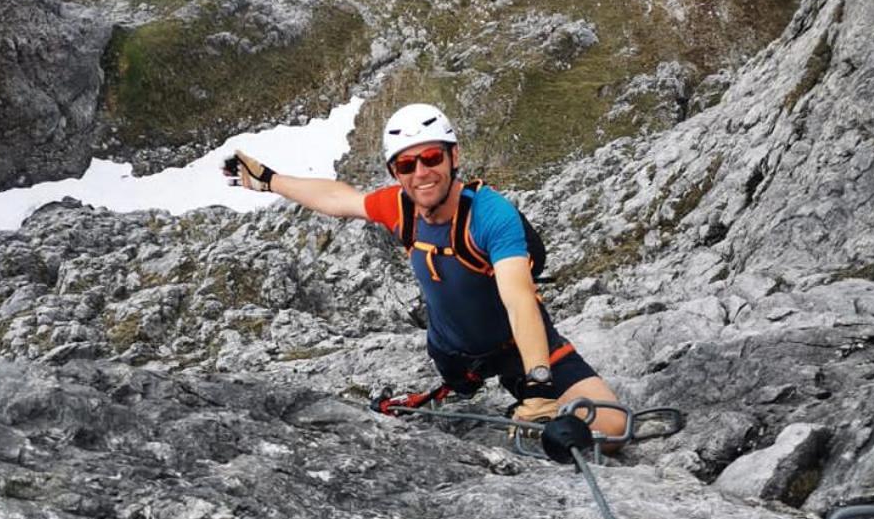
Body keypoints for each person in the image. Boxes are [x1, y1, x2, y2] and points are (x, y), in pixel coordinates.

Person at [224, 103, 626, 436]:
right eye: (406, 165)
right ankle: (464, 388)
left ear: (454, 156)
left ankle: (524, 404)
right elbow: (337, 197)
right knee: (468, 377)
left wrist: (539, 388)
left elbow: (519, 299)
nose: (421, 173)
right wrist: (271, 180)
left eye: (432, 157)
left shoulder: (490, 215)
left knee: (610, 427)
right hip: (453, 357)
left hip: (519, 349)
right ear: (395, 174)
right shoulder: (400, 207)